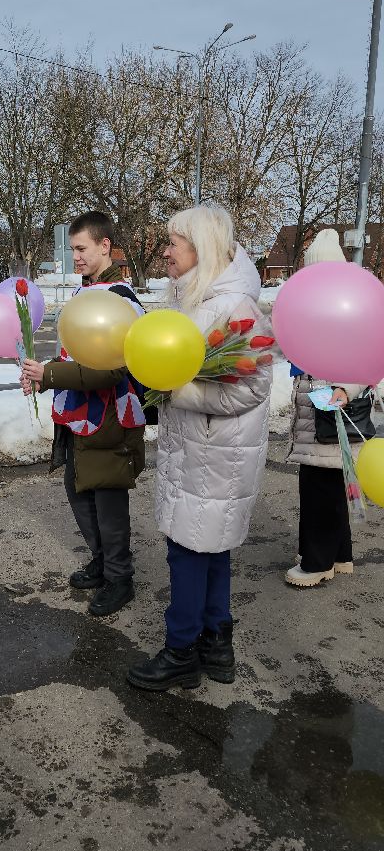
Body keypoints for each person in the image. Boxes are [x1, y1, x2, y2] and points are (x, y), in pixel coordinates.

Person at [127, 205, 272, 691]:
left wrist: (176, 391)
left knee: (189, 552)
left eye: (173, 242)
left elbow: (250, 388)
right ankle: (217, 644)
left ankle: (181, 650)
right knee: (210, 551)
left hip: (215, 455)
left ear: (202, 248)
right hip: (201, 449)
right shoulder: (193, 297)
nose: (165, 251)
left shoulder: (236, 307)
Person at [21, 211, 146, 618]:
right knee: (79, 492)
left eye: (82, 249)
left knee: (107, 499)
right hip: (78, 412)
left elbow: (115, 367)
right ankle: (102, 560)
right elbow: (76, 352)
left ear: (104, 246)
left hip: (110, 415)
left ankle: (120, 577)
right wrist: (44, 376)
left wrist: (52, 374)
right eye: (72, 249)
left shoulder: (120, 299)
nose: (75, 257)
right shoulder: (86, 293)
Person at [285, 228, 374, 588]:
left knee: (322, 492)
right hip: (321, 415)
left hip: (332, 415)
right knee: (329, 489)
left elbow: (370, 359)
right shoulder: (326, 308)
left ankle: (317, 563)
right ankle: (339, 554)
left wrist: (344, 389)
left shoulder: (347, 310)